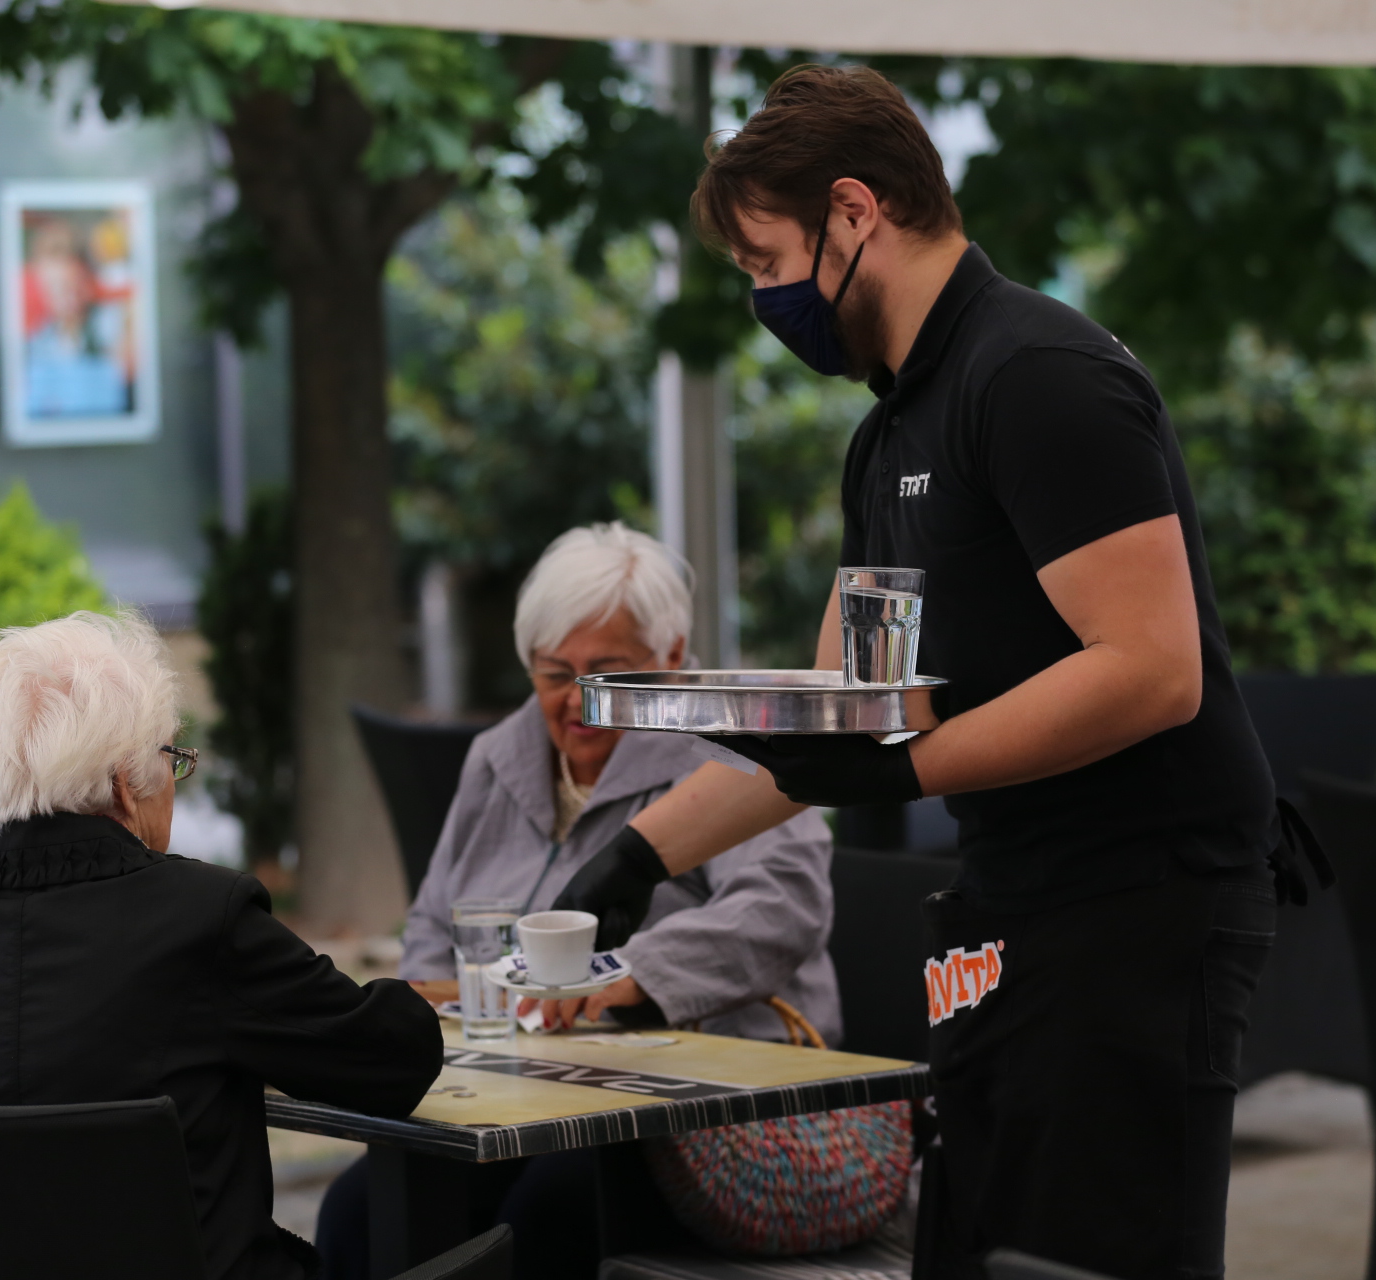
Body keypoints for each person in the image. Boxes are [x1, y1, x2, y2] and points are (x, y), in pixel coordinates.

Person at [553, 66, 1315, 1280]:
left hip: (1144, 901)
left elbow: (1153, 670)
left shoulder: (1039, 376)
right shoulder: (893, 427)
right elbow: (840, 717)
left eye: (763, 262)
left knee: (1083, 1256)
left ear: (854, 212)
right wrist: (640, 852)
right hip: (1009, 894)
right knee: (973, 1247)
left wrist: (903, 763)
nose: (765, 299)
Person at [316, 522, 840, 1280]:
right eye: (554, 671)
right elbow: (435, 922)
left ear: (671, 655)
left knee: (545, 1216)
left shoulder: (736, 750)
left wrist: (623, 979)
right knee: (359, 1212)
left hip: (694, 1115)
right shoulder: (498, 756)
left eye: (608, 672)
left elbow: (781, 905)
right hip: (513, 1101)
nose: (577, 698)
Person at [0, 611, 443, 1280]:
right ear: (128, 782)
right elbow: (395, 1062)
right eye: (172, 758)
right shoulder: (198, 918)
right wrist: (420, 994)